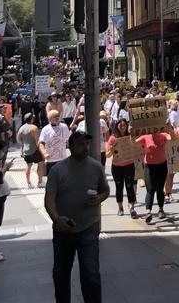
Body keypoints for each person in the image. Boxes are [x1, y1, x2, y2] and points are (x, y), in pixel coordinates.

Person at [45, 131, 110, 303]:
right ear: (71, 146)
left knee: (90, 274)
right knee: (61, 275)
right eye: (81, 144)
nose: (85, 148)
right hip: (64, 230)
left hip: (89, 228)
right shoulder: (58, 170)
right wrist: (56, 218)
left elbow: (105, 190)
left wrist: (100, 198)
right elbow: (49, 199)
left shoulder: (96, 167)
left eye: (87, 144)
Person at [136, 124, 171, 221]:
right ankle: (148, 212)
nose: (154, 129)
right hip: (149, 166)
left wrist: (170, 127)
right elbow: (134, 143)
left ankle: (161, 209)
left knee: (160, 189)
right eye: (153, 127)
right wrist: (131, 132)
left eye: (156, 127)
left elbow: (172, 138)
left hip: (162, 165)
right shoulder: (145, 136)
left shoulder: (163, 135)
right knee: (150, 189)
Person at [106, 119, 139, 219]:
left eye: (124, 125)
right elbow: (108, 155)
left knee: (130, 186)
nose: (123, 127)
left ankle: (132, 208)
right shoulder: (112, 138)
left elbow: (136, 145)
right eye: (120, 125)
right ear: (117, 126)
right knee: (119, 187)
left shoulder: (129, 136)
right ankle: (120, 208)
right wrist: (112, 149)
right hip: (117, 167)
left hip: (129, 165)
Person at [39, 110, 71, 175]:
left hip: (62, 159)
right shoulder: (45, 129)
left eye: (58, 116)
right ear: (49, 118)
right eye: (55, 116)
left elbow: (69, 141)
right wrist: (44, 153)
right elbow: (41, 143)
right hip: (51, 160)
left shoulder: (64, 127)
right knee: (52, 179)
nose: (57, 118)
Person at [17, 113, 43, 187]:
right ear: (32, 119)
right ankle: (40, 182)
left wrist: (25, 143)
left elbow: (18, 139)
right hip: (34, 149)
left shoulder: (21, 128)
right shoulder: (34, 128)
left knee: (28, 166)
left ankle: (28, 183)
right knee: (40, 164)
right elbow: (37, 140)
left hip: (26, 150)